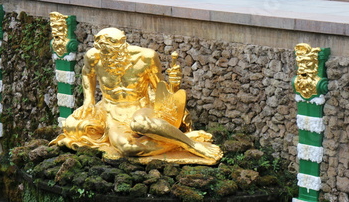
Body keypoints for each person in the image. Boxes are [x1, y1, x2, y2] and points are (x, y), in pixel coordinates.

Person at [51, 28, 222, 163]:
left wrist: (174, 84)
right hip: (111, 110)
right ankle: (181, 140)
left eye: (110, 52)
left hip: (140, 107)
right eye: (103, 53)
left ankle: (193, 145)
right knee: (126, 148)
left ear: (121, 46)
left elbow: (160, 91)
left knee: (140, 123)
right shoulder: (94, 57)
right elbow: (87, 74)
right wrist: (89, 100)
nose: (107, 57)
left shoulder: (146, 57)